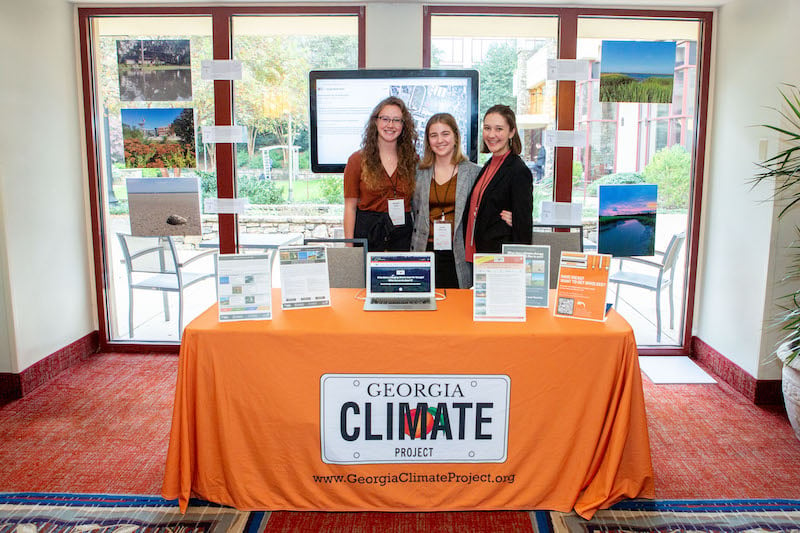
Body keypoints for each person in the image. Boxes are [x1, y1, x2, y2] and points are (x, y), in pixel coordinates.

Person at [411, 113, 481, 289]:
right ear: (428, 141)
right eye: (433, 135)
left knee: (455, 310)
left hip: (458, 254)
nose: (439, 140)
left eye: (445, 133)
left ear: (456, 136)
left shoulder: (474, 173)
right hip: (424, 251)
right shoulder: (418, 173)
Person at [343, 96, 418, 251]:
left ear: (404, 125)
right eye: (385, 119)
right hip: (367, 235)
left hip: (402, 236)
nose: (391, 125)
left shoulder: (413, 161)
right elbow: (350, 208)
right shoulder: (357, 160)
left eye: (397, 120)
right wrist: (349, 247)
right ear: (375, 121)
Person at [463, 104, 533, 262]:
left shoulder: (518, 170)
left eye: (499, 129)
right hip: (480, 254)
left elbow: (523, 229)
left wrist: (518, 221)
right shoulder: (489, 164)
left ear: (512, 132)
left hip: (499, 260)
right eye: (487, 128)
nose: (491, 134)